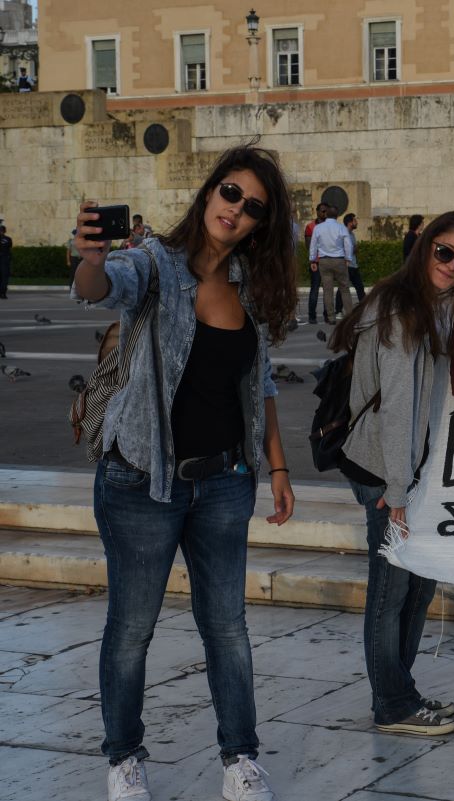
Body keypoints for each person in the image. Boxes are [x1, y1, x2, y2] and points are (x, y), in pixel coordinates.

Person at [72, 144, 298, 801]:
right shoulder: (155, 263)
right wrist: (91, 260)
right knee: (131, 630)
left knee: (228, 629)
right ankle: (124, 758)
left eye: (254, 206)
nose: (237, 209)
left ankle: (240, 759)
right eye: (231, 192)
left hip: (225, 482)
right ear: (209, 191)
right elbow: (102, 287)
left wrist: (277, 466)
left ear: (261, 223)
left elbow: (260, 385)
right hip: (141, 480)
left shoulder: (250, 287)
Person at [330, 210, 454, 737]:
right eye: (444, 252)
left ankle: (399, 689)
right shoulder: (400, 311)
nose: (451, 266)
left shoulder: (435, 307)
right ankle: (393, 704)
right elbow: (399, 408)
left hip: (411, 471)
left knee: (419, 587)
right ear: (425, 246)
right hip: (385, 472)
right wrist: (399, 492)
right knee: (391, 592)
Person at [309, 206, 356, 322]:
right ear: (337, 215)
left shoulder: (318, 228)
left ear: (326, 214)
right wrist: (348, 258)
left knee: (327, 290)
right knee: (344, 289)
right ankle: (350, 316)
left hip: (324, 261)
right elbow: (348, 244)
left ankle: (331, 317)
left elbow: (313, 245)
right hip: (339, 260)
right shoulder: (341, 228)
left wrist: (313, 260)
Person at [335, 212, 365, 314]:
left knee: (360, 287)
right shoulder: (343, 234)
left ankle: (364, 308)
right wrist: (353, 249)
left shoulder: (352, 234)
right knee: (343, 288)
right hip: (346, 266)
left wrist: (354, 249)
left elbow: (354, 249)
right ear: (350, 223)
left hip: (353, 265)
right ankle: (338, 310)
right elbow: (344, 250)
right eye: (355, 220)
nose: (357, 222)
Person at [303, 203, 327, 324]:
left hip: (328, 261)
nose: (324, 213)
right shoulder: (310, 226)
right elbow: (308, 246)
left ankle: (327, 314)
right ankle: (312, 316)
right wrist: (313, 260)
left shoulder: (330, 225)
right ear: (317, 212)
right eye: (322, 211)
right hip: (316, 262)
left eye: (326, 211)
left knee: (327, 289)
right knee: (315, 289)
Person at [0, 225, 11, 299]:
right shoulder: (8, 239)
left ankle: (2, 293)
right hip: (5, 259)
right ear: (5, 231)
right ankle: (3, 293)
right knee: (4, 277)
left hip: (4, 259)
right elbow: (9, 247)